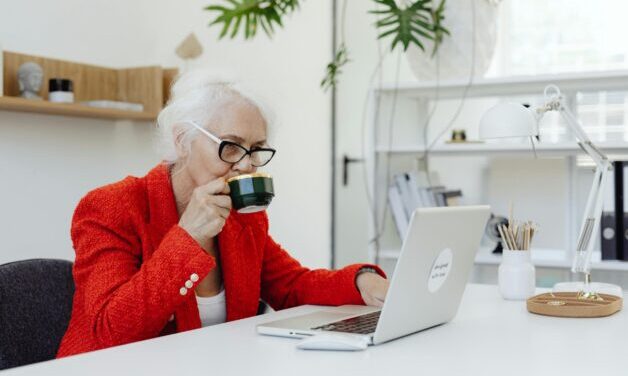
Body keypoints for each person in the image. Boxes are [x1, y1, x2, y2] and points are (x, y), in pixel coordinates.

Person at [56, 71, 389, 357]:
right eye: (230, 146)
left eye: (256, 149)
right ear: (182, 140)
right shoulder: (111, 207)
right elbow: (109, 333)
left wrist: (361, 281)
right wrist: (187, 239)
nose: (245, 164)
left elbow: (290, 286)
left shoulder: (241, 214)